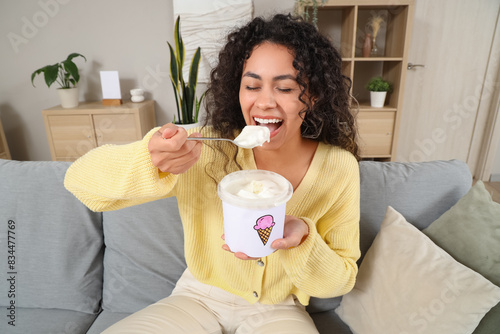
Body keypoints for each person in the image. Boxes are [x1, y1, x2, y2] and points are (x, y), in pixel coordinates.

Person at [65, 13, 360, 334]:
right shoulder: (204, 147)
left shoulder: (338, 167)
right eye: (252, 85)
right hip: (198, 298)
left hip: (279, 308)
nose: (264, 101)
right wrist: (150, 159)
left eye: (285, 88)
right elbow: (80, 183)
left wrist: (303, 237)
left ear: (313, 96)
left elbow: (339, 281)